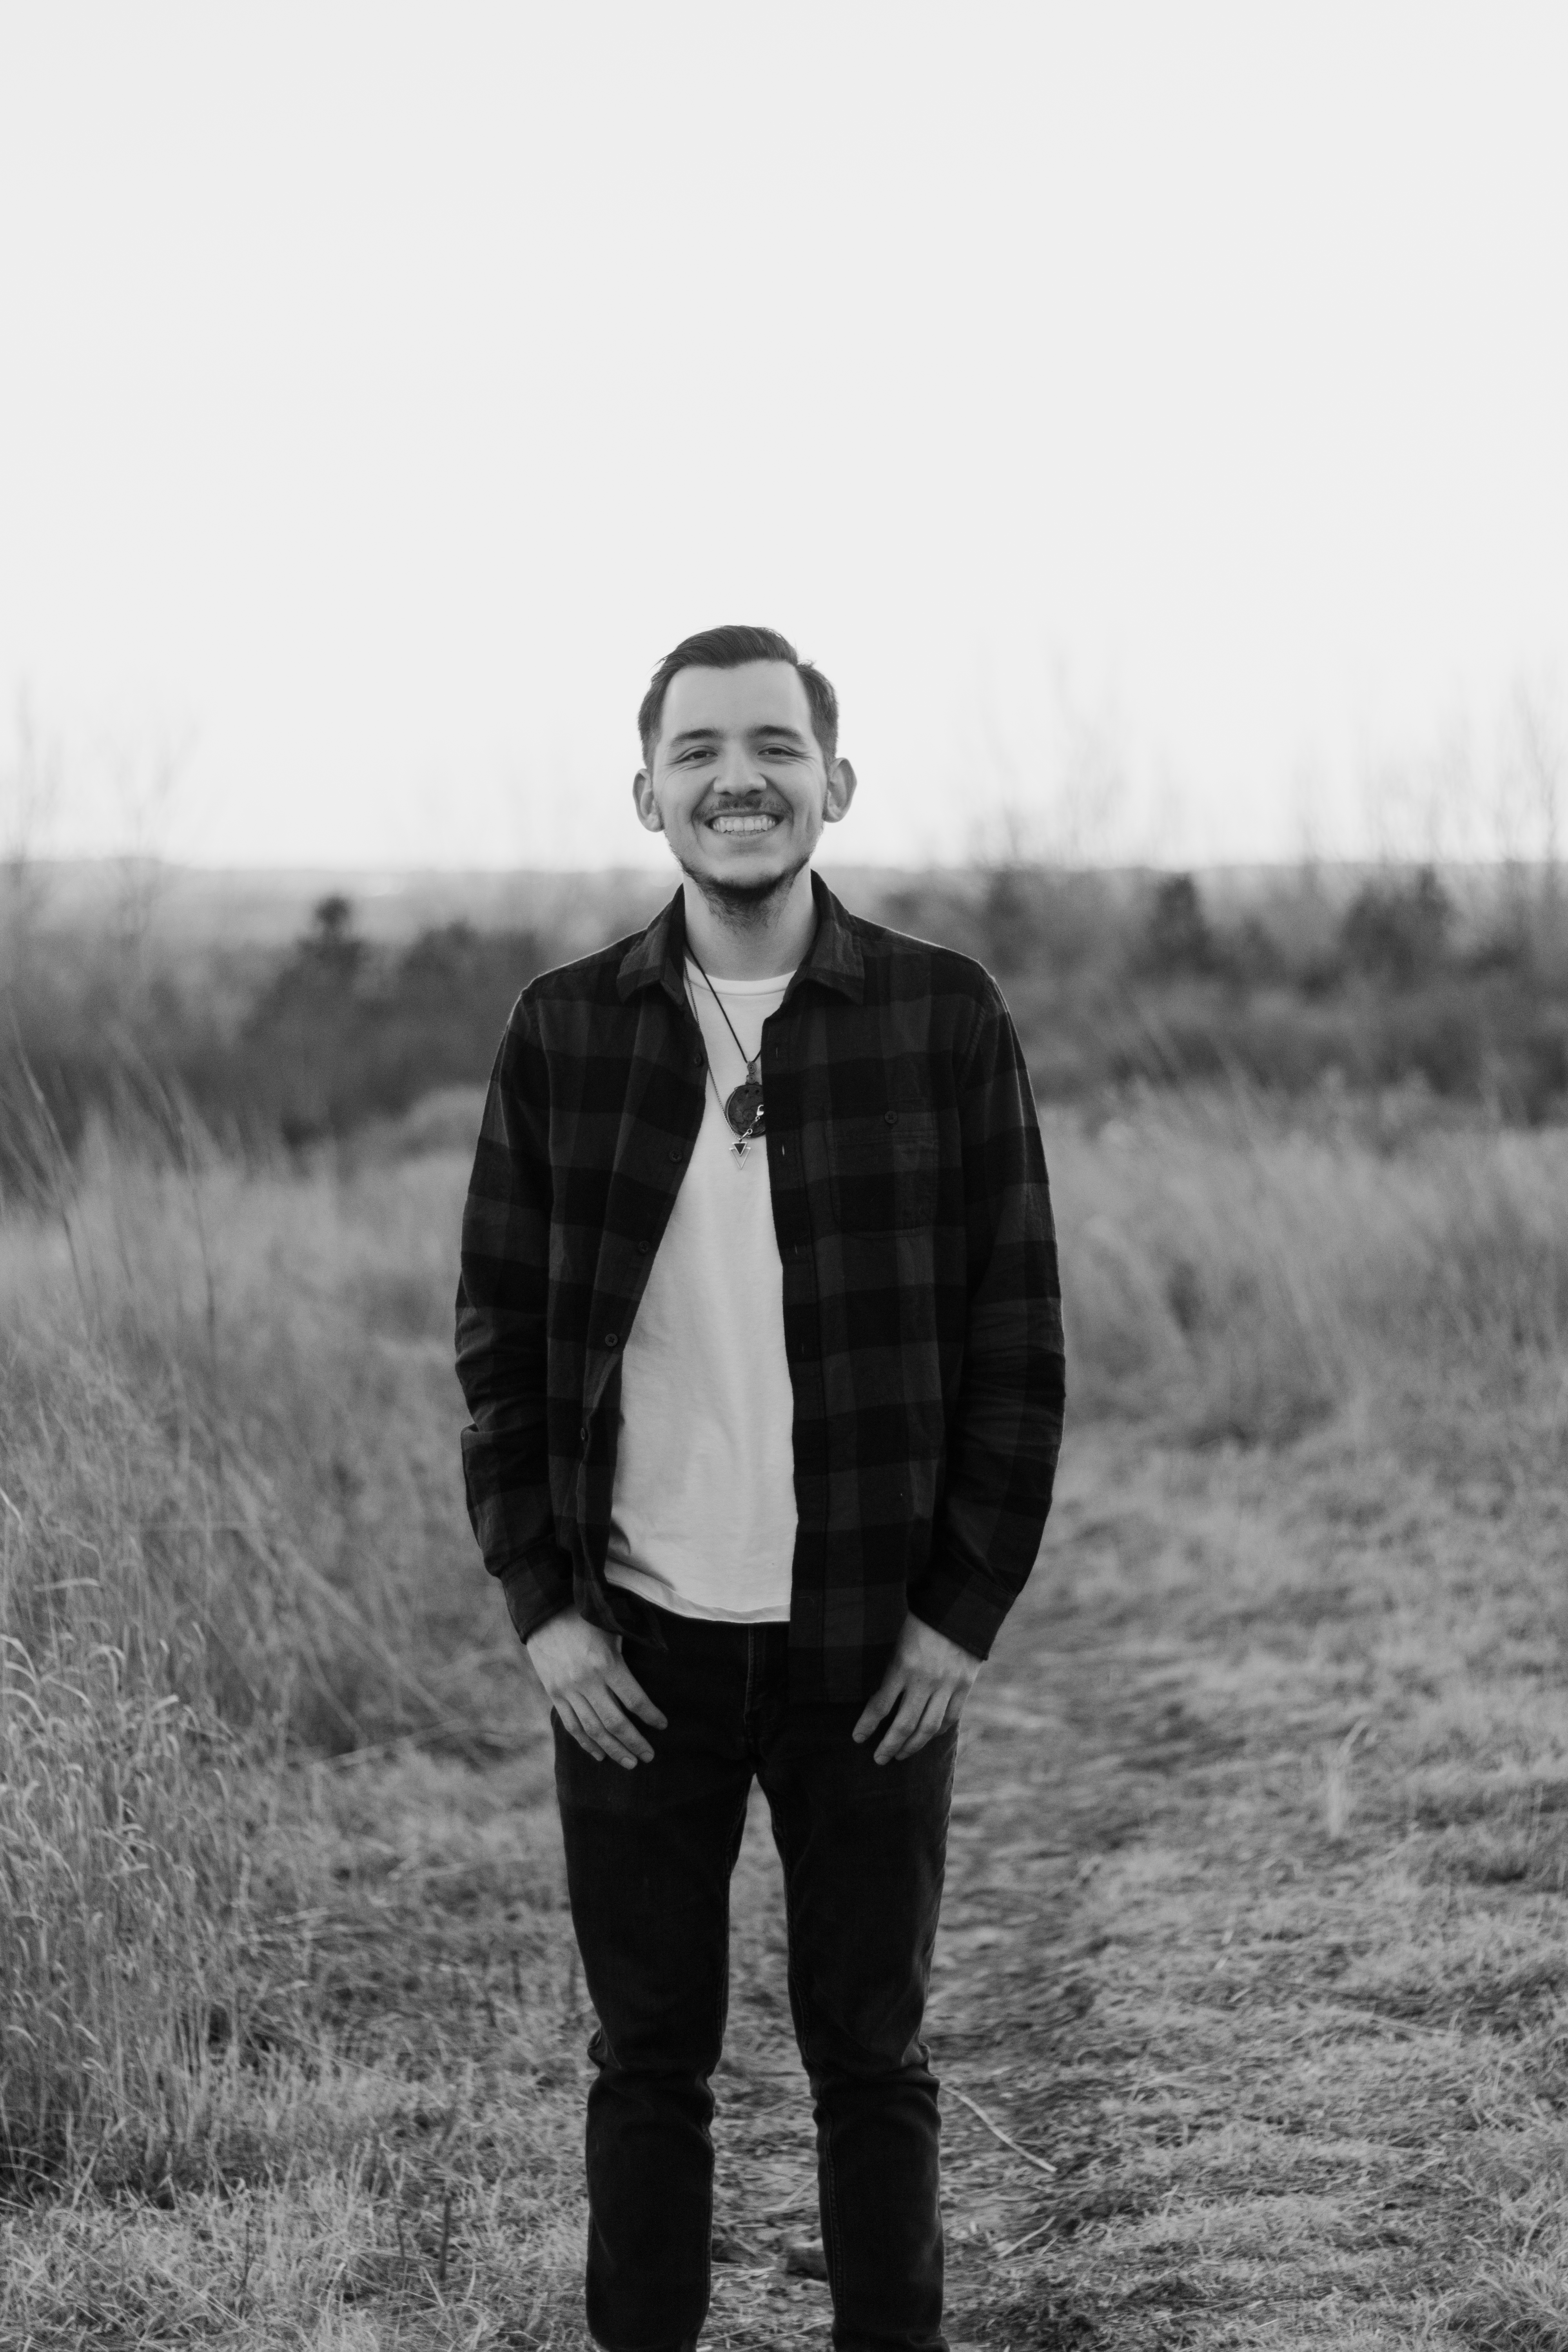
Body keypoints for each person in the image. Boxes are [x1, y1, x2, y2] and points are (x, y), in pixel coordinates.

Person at [456, 624, 1065, 2352]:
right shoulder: (566, 1036)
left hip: (870, 1651)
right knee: (648, 2065)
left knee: (872, 2062)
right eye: (703, 748)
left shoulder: (943, 1018)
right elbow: (497, 1348)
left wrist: (959, 1618)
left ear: (835, 784)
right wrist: (545, 1616)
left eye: (777, 747)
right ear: (646, 789)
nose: (742, 777)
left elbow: (1018, 1338)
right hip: (636, 1652)